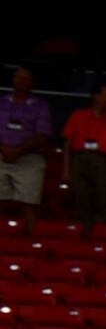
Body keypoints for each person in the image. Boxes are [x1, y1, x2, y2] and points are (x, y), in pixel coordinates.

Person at [60, 80, 106, 224]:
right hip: (80, 159)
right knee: (81, 198)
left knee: (104, 198)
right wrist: (66, 170)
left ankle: (102, 228)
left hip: (105, 162)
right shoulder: (78, 115)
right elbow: (67, 145)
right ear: (96, 97)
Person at [0, 66, 50, 216]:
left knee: (29, 204)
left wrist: (18, 150)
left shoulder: (40, 106)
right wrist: (4, 149)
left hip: (29, 158)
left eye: (24, 78)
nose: (20, 81)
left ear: (32, 82)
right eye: (17, 77)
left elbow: (43, 134)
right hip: (1, 156)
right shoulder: (1, 102)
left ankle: (30, 236)